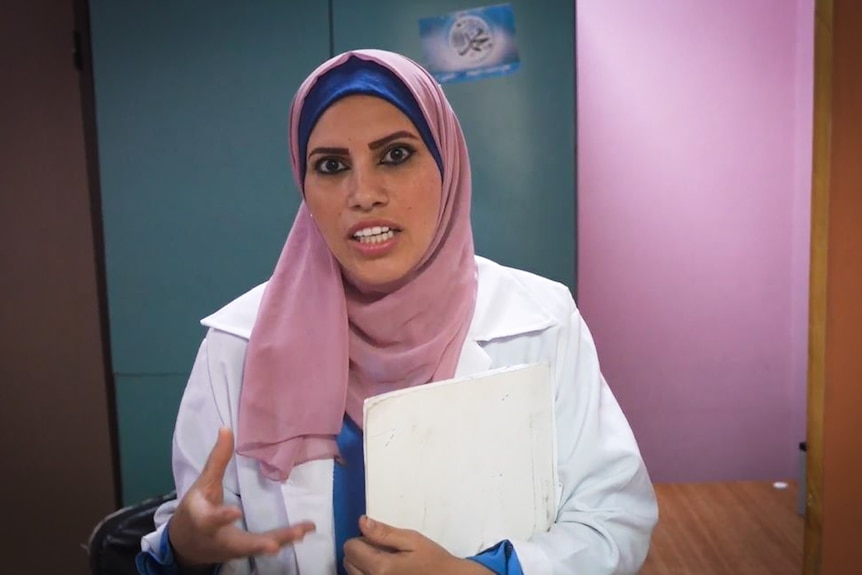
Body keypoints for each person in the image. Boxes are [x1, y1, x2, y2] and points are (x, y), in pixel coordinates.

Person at [137, 48, 658, 575]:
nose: (363, 194)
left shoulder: (542, 322)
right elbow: (189, 534)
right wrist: (183, 551)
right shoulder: (238, 345)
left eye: (395, 155)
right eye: (332, 166)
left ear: (447, 164)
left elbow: (614, 519)